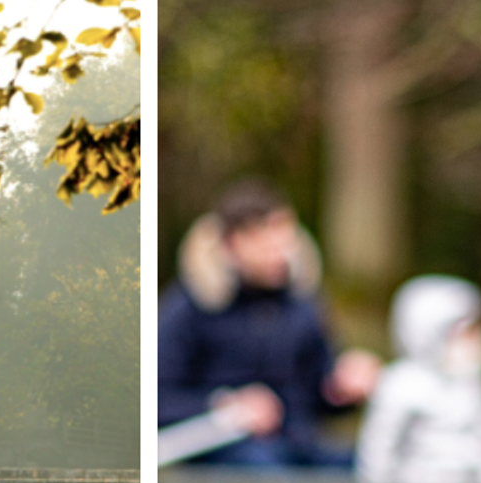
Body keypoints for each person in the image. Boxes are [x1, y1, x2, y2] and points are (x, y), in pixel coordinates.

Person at [158, 180, 380, 467]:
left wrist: (342, 389)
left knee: (369, 466)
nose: (280, 251)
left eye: (284, 237)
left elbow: (316, 395)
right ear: (231, 244)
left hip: (297, 444)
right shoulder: (190, 307)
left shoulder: (302, 304)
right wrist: (224, 405)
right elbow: (156, 399)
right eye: (263, 240)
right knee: (264, 469)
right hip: (223, 452)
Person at [356, 274, 481, 483]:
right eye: (464, 332)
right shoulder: (402, 384)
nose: (473, 340)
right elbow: (378, 451)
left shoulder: (469, 383)